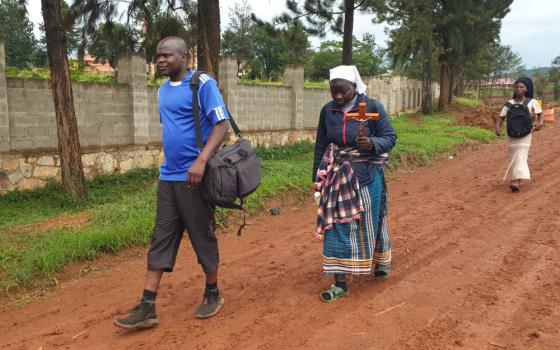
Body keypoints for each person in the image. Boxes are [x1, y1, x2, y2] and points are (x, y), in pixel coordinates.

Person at [114, 37, 230, 330]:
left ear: (183, 57)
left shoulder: (202, 84)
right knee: (161, 237)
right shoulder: (163, 91)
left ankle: (213, 292)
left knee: (202, 236)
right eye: (157, 56)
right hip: (168, 177)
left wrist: (201, 161)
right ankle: (148, 305)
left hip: (195, 178)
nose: (160, 60)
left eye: (166, 55)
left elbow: (222, 124)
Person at [312, 65, 397, 302]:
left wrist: (371, 143)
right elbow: (321, 146)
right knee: (336, 225)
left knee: (372, 221)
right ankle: (340, 282)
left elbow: (390, 137)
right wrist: (316, 180)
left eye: (344, 91)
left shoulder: (371, 108)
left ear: (355, 87)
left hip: (367, 174)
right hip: (338, 175)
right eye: (334, 91)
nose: (338, 97)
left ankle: (380, 260)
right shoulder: (328, 111)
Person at [495, 77, 543, 192]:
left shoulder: (532, 102)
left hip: (526, 134)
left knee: (520, 155)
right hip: (511, 134)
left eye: (521, 87)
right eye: (517, 87)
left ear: (527, 89)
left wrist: (539, 124)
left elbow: (540, 114)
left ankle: (515, 181)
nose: (518, 89)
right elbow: (501, 117)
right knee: (515, 157)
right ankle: (518, 178)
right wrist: (497, 127)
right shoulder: (508, 104)